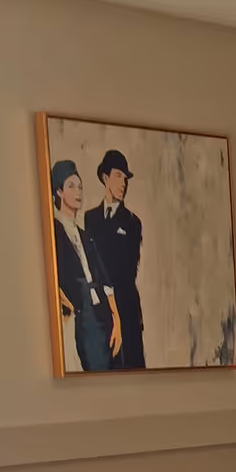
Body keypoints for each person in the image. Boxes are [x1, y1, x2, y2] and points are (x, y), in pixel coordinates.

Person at [50, 159, 120, 372]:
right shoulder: (54, 233)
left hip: (102, 317)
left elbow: (105, 280)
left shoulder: (85, 235)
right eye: (71, 186)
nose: (78, 191)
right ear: (59, 191)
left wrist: (116, 320)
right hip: (81, 319)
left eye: (80, 186)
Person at [82, 148, 145, 369]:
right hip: (100, 314)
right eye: (118, 175)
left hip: (125, 310)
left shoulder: (132, 223)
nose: (123, 183)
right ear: (105, 177)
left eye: (126, 178)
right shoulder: (90, 219)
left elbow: (128, 271)